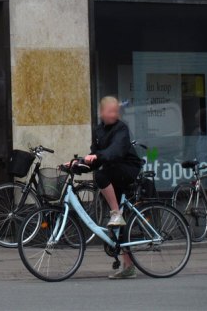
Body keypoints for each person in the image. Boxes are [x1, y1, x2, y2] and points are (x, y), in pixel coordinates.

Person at [85, 95, 143, 279]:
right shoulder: (98, 130)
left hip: (127, 168)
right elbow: (95, 155)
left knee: (101, 176)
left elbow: (115, 151)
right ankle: (128, 266)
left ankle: (115, 213)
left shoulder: (121, 128)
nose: (114, 115)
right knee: (119, 226)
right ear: (101, 112)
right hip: (114, 171)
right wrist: (77, 164)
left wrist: (98, 157)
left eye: (116, 111)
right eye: (110, 111)